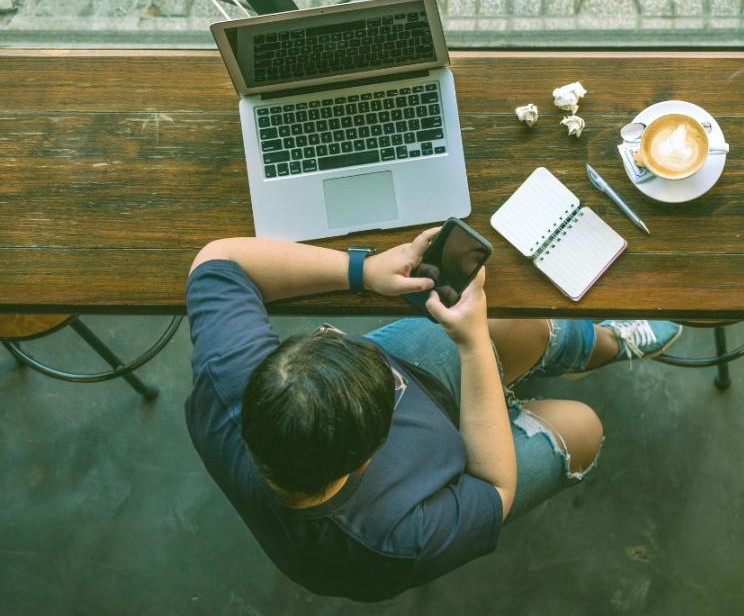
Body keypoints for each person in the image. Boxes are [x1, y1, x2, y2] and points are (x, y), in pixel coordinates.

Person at [185, 228, 682, 602]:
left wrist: (363, 271)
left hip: (388, 425)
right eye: (390, 391)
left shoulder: (228, 381)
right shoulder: (390, 542)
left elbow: (218, 259)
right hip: (467, 478)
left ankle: (603, 343)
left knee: (517, 327)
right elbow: (494, 489)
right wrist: (471, 345)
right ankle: (532, 391)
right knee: (583, 428)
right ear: (367, 459)